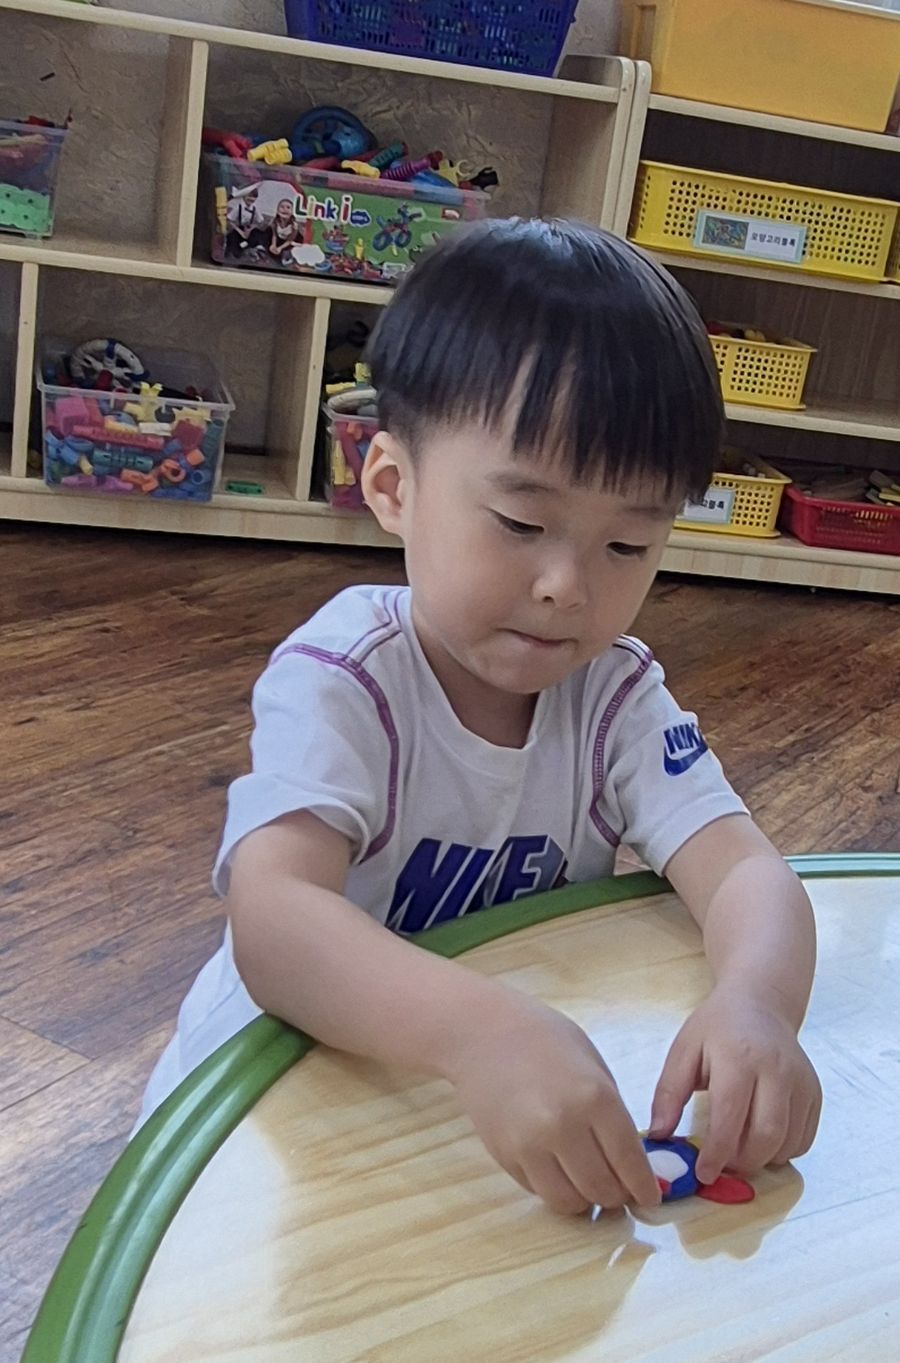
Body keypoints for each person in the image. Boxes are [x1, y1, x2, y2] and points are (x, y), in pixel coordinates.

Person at [137, 218, 822, 1215]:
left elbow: (748, 872)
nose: (566, 585)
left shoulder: (615, 697)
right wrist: (480, 1032)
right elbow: (275, 919)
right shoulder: (346, 677)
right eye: (521, 522)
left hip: (470, 1117)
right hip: (266, 1104)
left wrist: (756, 1003)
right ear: (392, 487)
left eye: (627, 546)